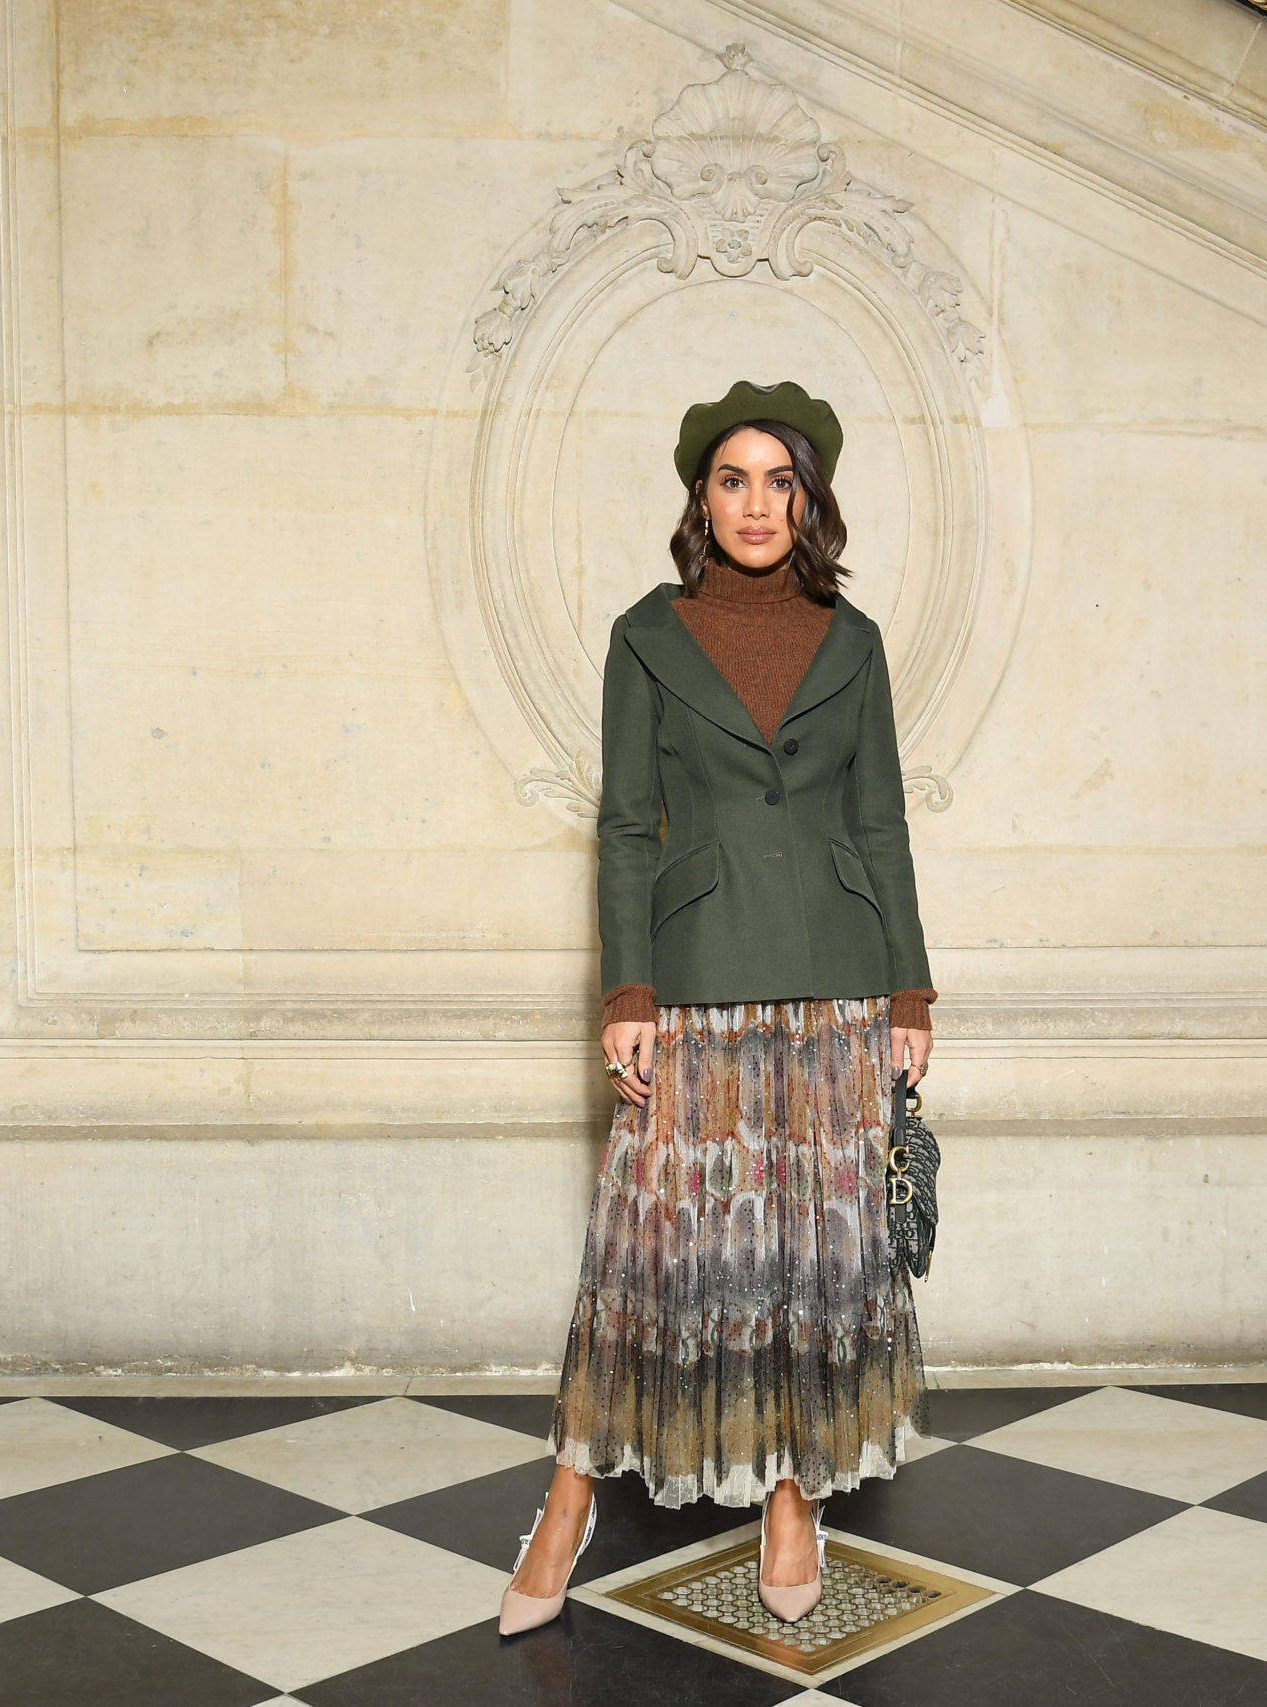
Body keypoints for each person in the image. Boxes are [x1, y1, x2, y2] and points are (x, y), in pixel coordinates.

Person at [498, 380, 938, 1635]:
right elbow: (625, 825)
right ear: (702, 497)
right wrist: (626, 989)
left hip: (836, 982)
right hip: (692, 981)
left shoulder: (853, 641)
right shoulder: (647, 635)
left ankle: (793, 1503)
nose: (755, 505)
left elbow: (881, 823)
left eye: (778, 482)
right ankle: (568, 1503)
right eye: (733, 481)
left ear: (808, 500)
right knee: (646, 1252)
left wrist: (909, 988)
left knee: (815, 1255)